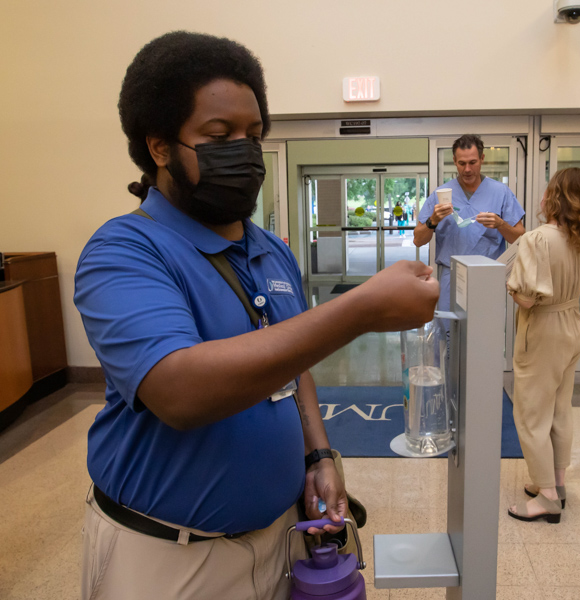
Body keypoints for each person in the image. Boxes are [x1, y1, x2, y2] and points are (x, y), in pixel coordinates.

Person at [74, 31, 438, 600]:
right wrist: (359, 309)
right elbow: (179, 391)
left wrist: (318, 453)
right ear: (159, 147)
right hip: (170, 557)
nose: (244, 151)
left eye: (253, 135)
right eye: (219, 136)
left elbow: (293, 366)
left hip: (280, 541)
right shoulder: (123, 251)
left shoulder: (271, 249)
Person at [506, 167, 580, 523]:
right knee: (560, 408)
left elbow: (525, 300)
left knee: (532, 413)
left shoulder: (537, 239)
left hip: (544, 328)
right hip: (573, 324)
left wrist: (511, 285)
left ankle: (547, 496)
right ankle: (557, 483)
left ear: (554, 196)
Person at [414, 134, 525, 311]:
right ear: (454, 161)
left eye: (472, 162)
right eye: (461, 163)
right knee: (450, 332)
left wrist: (501, 225)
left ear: (482, 159)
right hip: (451, 276)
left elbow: (521, 238)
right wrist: (432, 220)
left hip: (488, 276)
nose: (467, 169)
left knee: (486, 330)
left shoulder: (501, 192)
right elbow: (418, 240)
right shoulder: (440, 194)